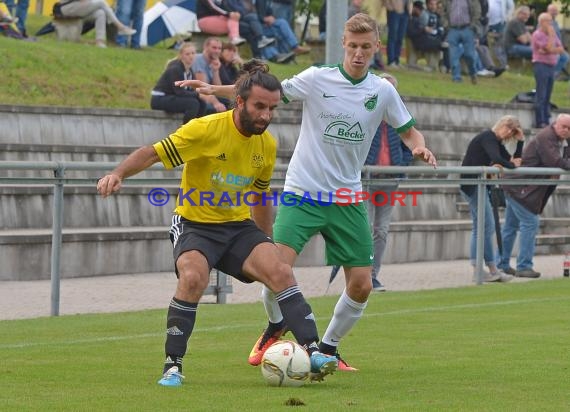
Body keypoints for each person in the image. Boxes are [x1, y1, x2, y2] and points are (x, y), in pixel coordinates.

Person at [176, 13, 437, 372]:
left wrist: (420, 147)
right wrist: (212, 90)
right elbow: (265, 94)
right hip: (303, 192)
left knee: (362, 285)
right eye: (353, 46)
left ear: (376, 47)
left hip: (347, 198)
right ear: (343, 44)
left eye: (366, 47)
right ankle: (274, 327)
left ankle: (327, 349)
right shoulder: (317, 78)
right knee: (274, 271)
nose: (358, 54)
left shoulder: (382, 91)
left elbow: (409, 131)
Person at [97, 60, 339, 387]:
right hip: (195, 224)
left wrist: (265, 241)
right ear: (239, 101)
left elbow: (259, 195)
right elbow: (153, 153)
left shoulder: (266, 143)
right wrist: (117, 173)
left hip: (238, 228)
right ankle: (173, 366)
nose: (266, 115)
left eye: (271, 108)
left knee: (281, 270)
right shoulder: (205, 129)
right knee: (194, 277)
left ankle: (314, 351)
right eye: (259, 107)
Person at [498, 114, 570, 278]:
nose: (566, 130)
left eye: (569, 128)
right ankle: (524, 266)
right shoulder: (546, 137)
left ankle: (501, 263)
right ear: (555, 124)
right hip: (519, 187)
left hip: (520, 187)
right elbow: (556, 162)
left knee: (510, 227)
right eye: (564, 126)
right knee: (530, 222)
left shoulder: (559, 139)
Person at [459, 115, 524, 282]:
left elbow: (512, 161)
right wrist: (508, 164)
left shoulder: (496, 142)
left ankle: (489, 269)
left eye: (512, 130)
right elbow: (498, 159)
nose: (509, 132)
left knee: (483, 226)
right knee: (485, 226)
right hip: (473, 185)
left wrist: (520, 143)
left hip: (478, 185)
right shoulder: (488, 137)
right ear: (502, 125)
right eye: (508, 127)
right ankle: (484, 270)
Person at [150, 42, 207, 124]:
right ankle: (185, 131)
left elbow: (190, 90)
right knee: (192, 104)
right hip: (159, 99)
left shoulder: (189, 71)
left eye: (193, 53)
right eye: (187, 54)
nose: (191, 56)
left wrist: (198, 94)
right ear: (181, 56)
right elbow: (179, 92)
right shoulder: (175, 69)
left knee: (202, 103)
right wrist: (198, 94)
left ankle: (197, 129)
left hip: (172, 97)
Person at [531, 12, 564, 129]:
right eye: (548, 21)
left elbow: (561, 49)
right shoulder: (537, 34)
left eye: (551, 21)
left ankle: (546, 118)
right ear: (541, 22)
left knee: (548, 93)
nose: (551, 24)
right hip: (541, 65)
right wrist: (550, 37)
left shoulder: (554, 34)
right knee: (541, 93)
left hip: (551, 65)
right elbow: (549, 47)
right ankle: (540, 120)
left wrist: (551, 49)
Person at [57, 0, 136, 48]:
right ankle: (120, 27)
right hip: (68, 9)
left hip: (78, 9)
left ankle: (100, 42)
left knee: (100, 13)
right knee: (101, 3)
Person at [440, 0, 481, 84]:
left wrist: (472, 26)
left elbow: (477, 11)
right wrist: (446, 25)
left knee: (469, 54)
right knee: (453, 55)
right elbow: (442, 12)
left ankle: (473, 73)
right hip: (453, 29)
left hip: (467, 28)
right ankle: (456, 78)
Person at [192, 37, 228, 113]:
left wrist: (215, 71)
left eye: (219, 48)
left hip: (206, 94)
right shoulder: (198, 60)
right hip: (194, 95)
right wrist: (216, 103)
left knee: (231, 103)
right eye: (214, 48)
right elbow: (202, 88)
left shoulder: (213, 61)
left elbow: (218, 89)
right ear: (205, 47)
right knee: (213, 108)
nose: (217, 51)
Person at [486, 0, 514, 69]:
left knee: (499, 45)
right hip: (486, 22)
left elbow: (511, 7)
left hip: (499, 23)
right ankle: (488, 64)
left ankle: (503, 64)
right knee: (485, 44)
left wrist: (507, 18)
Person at [546, 4, 569, 81]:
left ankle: (554, 74)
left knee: (565, 57)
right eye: (552, 11)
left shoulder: (555, 22)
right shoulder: (545, 21)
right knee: (561, 57)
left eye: (555, 11)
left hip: (557, 47)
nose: (554, 12)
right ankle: (552, 75)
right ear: (548, 11)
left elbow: (558, 37)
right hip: (548, 46)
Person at [384, 0, 411, 68]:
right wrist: (391, 8)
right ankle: (391, 60)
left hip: (405, 12)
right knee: (393, 37)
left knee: (400, 38)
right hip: (394, 11)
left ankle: (397, 60)